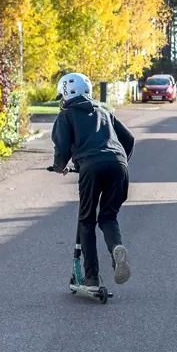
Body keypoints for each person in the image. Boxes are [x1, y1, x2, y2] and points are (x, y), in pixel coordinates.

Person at [52, 72, 135, 288]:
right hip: (118, 165)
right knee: (108, 217)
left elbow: (61, 148)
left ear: (67, 93)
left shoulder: (67, 114)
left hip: (91, 165)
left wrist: (60, 167)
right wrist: (119, 160)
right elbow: (129, 139)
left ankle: (90, 278)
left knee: (87, 221)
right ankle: (116, 247)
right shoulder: (104, 111)